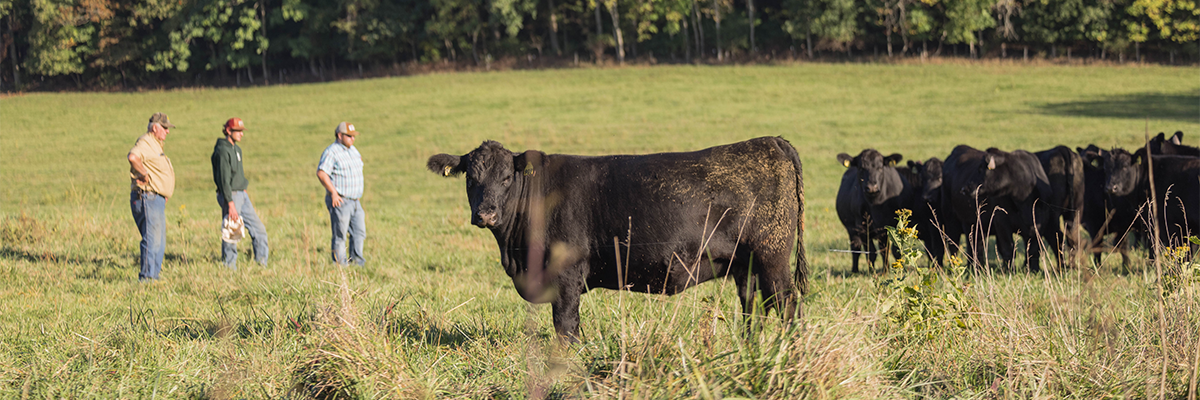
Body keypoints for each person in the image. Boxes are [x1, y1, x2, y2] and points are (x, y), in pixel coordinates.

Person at [211, 117, 269, 268]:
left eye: (242, 131)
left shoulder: (237, 149)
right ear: (228, 131)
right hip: (231, 195)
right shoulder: (223, 151)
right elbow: (224, 179)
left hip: (242, 194)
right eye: (238, 131)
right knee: (232, 231)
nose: (241, 134)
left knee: (259, 229)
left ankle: (261, 264)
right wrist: (230, 203)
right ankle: (229, 267)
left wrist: (243, 190)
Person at [127, 112, 176, 281]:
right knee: (152, 240)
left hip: (156, 199)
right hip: (148, 197)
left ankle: (154, 276)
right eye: (165, 128)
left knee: (159, 241)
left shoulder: (155, 145)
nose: (167, 132)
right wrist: (144, 174)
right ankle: (147, 279)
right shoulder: (146, 142)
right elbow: (133, 157)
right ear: (155, 127)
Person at [317, 122, 366, 266]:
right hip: (341, 200)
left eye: (353, 136)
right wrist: (333, 193)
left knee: (359, 232)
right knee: (340, 235)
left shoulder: (353, 150)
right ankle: (340, 265)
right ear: (340, 135)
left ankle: (357, 262)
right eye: (349, 136)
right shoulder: (331, 152)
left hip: (356, 200)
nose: (352, 139)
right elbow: (321, 173)